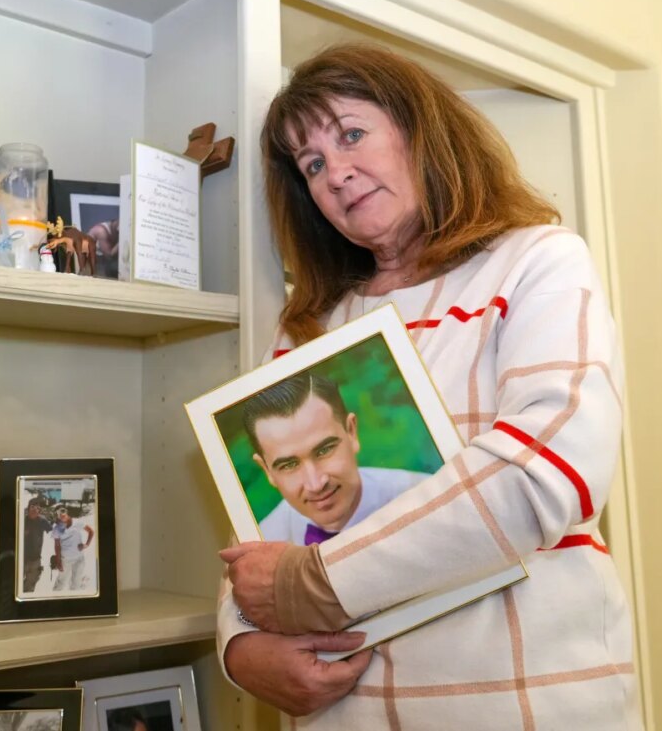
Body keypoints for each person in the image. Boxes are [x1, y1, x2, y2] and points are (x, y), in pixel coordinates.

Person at [217, 44, 638, 729]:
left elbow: (547, 472)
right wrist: (242, 647)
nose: (337, 175)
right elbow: (261, 523)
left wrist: (314, 583)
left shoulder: (537, 260)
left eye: (351, 134)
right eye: (313, 165)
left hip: (526, 702)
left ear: (420, 129)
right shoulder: (309, 324)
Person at [244, 371, 429, 546]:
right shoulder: (263, 542)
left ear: (352, 432)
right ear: (266, 470)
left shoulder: (427, 497)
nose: (315, 484)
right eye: (289, 465)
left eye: (324, 451)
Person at [52, 507, 94, 591]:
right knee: (61, 583)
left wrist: (86, 544)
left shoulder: (77, 522)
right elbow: (57, 545)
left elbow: (91, 531)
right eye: (59, 513)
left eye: (63, 511)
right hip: (65, 559)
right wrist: (58, 560)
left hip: (79, 559)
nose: (61, 514)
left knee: (75, 584)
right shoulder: (57, 528)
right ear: (57, 516)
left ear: (67, 512)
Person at [21, 497, 52, 594]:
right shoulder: (22, 520)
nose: (35, 510)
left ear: (40, 510)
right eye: (33, 507)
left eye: (38, 508)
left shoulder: (42, 521)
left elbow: (55, 533)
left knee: (30, 586)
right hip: (20, 559)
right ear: (28, 508)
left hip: (35, 559)